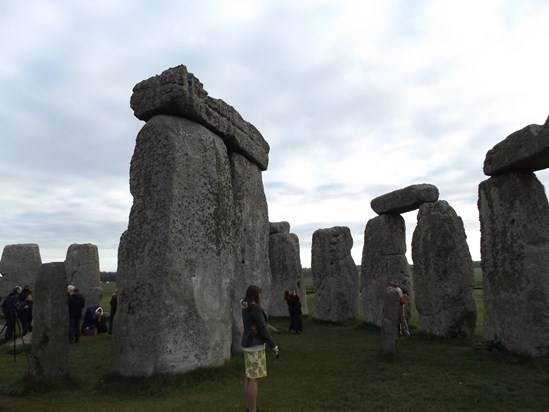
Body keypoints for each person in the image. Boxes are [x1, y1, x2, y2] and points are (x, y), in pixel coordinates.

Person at [241, 285, 279, 412]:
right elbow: (262, 329)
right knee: (253, 379)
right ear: (256, 295)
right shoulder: (255, 308)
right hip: (255, 345)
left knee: (249, 377)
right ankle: (252, 410)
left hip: (247, 344)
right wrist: (273, 345)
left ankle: (249, 408)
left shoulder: (244, 306)